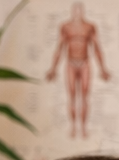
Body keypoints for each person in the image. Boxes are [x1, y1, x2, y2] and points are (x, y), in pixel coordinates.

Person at [46, 2, 112, 140]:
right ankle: (73, 127)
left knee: (84, 97)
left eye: (79, 10)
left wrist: (103, 68)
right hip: (70, 64)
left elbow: (97, 48)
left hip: (85, 64)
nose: (77, 13)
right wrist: (53, 69)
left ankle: (83, 128)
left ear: (82, 12)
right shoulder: (65, 27)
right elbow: (60, 48)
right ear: (72, 11)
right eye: (75, 10)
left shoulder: (90, 27)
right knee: (72, 97)